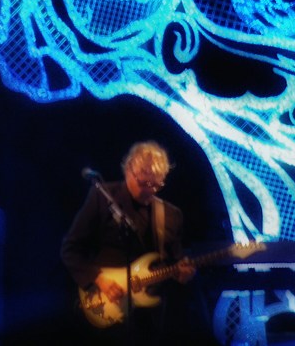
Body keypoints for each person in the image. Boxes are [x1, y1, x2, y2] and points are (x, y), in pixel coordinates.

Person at [60, 141, 202, 345]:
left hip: (150, 320)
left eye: (156, 185)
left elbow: (175, 261)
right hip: (106, 307)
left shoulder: (171, 215)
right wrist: (98, 278)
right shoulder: (103, 197)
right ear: (129, 171)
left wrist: (184, 274)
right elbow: (70, 249)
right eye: (144, 183)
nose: (150, 191)